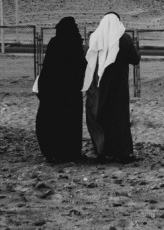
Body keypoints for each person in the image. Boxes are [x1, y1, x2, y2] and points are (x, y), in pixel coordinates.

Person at [82, 12, 141, 163]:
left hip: (97, 87)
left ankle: (101, 151)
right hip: (118, 87)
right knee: (119, 118)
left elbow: (85, 57)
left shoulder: (93, 38)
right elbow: (135, 59)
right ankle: (122, 153)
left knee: (98, 116)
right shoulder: (124, 38)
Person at [35, 16, 87, 163]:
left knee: (53, 120)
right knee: (70, 122)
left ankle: (53, 152)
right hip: (71, 91)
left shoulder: (55, 42)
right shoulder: (75, 43)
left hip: (53, 90)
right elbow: (81, 67)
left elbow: (47, 67)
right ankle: (70, 153)